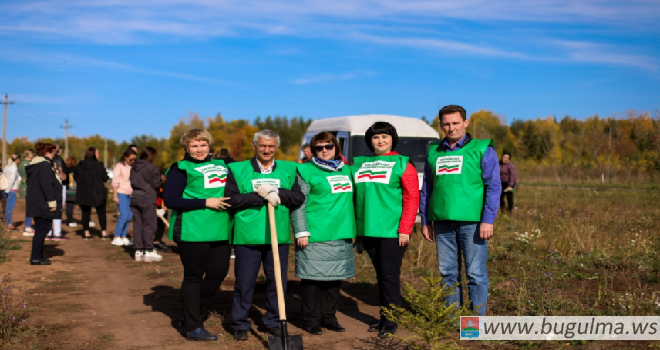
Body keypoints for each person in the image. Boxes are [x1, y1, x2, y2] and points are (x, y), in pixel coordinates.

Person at [420, 104, 501, 317]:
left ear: (465, 123)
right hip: (442, 223)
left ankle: (475, 324)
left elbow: (493, 186)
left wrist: (488, 219)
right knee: (447, 274)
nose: (451, 128)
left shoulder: (483, 149)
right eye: (446, 124)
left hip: (472, 223)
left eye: (456, 123)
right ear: (441, 125)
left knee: (475, 274)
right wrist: (425, 220)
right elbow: (427, 188)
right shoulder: (433, 152)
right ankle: (452, 321)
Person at [226, 129, 304, 341]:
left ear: (276, 147)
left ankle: (274, 320)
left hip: (277, 237)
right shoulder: (237, 169)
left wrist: (277, 193)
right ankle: (240, 322)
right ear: (254, 146)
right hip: (247, 236)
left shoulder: (289, 169)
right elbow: (231, 200)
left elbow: (297, 197)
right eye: (262, 145)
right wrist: (259, 196)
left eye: (271, 146)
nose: (266, 150)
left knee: (277, 281)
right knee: (244, 281)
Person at [163, 129, 233, 341]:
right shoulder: (180, 169)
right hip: (193, 230)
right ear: (186, 148)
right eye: (194, 146)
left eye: (203, 145)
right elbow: (171, 200)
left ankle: (193, 313)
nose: (199, 149)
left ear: (209, 146)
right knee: (194, 276)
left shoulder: (223, 166)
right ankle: (193, 326)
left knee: (218, 273)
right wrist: (205, 202)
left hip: (220, 229)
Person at [351, 121, 419, 337]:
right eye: (375, 137)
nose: (380, 141)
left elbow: (411, 198)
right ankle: (385, 315)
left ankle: (390, 320)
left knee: (389, 275)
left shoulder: (403, 164)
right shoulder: (360, 164)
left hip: (392, 231)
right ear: (370, 141)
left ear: (392, 139)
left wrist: (405, 229)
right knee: (380, 275)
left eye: (384, 137)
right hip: (368, 229)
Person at [291, 132, 356, 336]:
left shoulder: (348, 171)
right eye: (319, 147)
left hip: (341, 231)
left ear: (336, 147)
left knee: (334, 279)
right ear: (313, 150)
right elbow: (299, 204)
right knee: (312, 280)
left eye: (329, 146)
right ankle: (311, 320)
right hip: (315, 233)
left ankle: (329, 317)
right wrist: (301, 230)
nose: (325, 150)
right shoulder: (305, 170)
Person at [25, 142, 62, 265]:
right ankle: (36, 257)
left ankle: (38, 256)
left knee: (41, 230)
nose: (53, 156)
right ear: (47, 152)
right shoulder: (44, 166)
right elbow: (47, 186)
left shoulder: (36, 165)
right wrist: (52, 203)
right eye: (52, 153)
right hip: (42, 204)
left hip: (37, 202)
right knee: (42, 230)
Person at [130, 146, 162, 262]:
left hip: (135, 197)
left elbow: (132, 181)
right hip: (148, 198)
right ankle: (148, 250)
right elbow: (156, 184)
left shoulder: (134, 167)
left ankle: (138, 250)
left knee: (137, 224)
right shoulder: (152, 168)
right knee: (149, 224)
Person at [75, 147, 110, 239]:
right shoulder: (99, 166)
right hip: (98, 192)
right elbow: (105, 178)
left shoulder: (80, 166)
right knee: (101, 213)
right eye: (97, 153)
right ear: (94, 154)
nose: (98, 155)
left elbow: (76, 177)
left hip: (84, 192)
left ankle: (86, 233)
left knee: (85, 213)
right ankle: (104, 232)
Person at [111, 148, 137, 246]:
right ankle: (116, 236)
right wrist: (115, 195)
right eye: (131, 159)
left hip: (130, 194)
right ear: (125, 157)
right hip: (121, 192)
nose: (132, 161)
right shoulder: (119, 166)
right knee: (124, 214)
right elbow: (115, 181)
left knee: (129, 215)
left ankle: (123, 236)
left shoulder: (132, 167)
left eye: (134, 159)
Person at [47, 145, 67, 240]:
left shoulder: (44, 161)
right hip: (57, 187)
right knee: (58, 208)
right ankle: (56, 232)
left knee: (49, 208)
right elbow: (63, 177)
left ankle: (48, 231)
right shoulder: (59, 160)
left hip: (48, 187)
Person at [19, 149, 35, 236]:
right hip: (28, 187)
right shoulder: (27, 164)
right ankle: (27, 227)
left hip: (24, 186)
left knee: (30, 207)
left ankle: (28, 226)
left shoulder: (21, 164)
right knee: (30, 208)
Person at [3, 154, 21, 230]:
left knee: (7, 207)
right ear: (17, 159)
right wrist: (7, 191)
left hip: (7, 189)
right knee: (10, 208)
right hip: (11, 190)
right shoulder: (14, 167)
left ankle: (8, 223)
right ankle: (9, 224)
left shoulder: (7, 167)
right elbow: (11, 180)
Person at [153, 173, 169, 252]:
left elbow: (168, 196)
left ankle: (157, 240)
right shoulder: (154, 185)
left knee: (161, 225)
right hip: (154, 206)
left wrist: (164, 208)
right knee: (153, 225)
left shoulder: (167, 185)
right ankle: (153, 241)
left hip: (162, 207)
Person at [64, 156, 78, 227]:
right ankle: (88, 220)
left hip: (67, 189)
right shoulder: (77, 169)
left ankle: (70, 220)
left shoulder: (65, 169)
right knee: (82, 205)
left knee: (69, 206)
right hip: (76, 189)